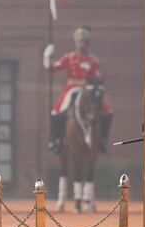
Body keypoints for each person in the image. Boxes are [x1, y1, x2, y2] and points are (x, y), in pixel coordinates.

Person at [44, 26, 113, 156]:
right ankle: (57, 141)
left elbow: (96, 76)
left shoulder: (93, 61)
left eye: (83, 42)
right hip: (72, 89)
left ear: (87, 43)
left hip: (88, 90)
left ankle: (103, 140)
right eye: (78, 41)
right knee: (55, 111)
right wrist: (47, 57)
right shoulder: (69, 58)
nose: (80, 44)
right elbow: (52, 68)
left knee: (108, 111)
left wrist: (95, 84)